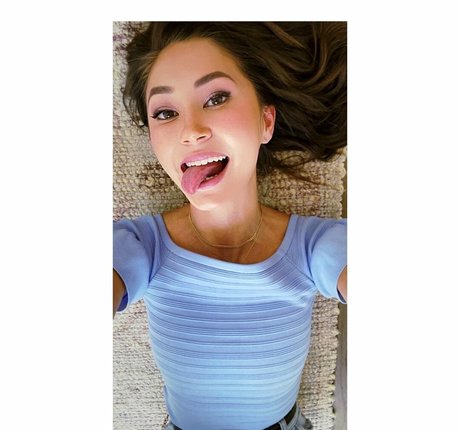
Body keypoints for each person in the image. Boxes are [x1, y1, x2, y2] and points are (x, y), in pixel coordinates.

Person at [113, 22, 347, 430]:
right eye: (165, 113)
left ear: (265, 121)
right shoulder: (140, 244)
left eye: (216, 98)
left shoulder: (315, 244)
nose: (191, 131)